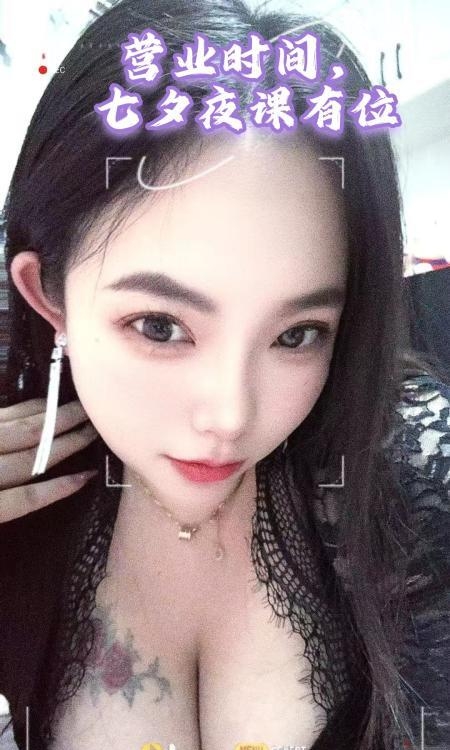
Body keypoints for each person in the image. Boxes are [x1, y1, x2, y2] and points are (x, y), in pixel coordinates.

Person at [0, 1, 449, 749]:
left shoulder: (408, 466)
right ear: (50, 297)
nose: (231, 416)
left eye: (297, 335)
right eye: (160, 326)